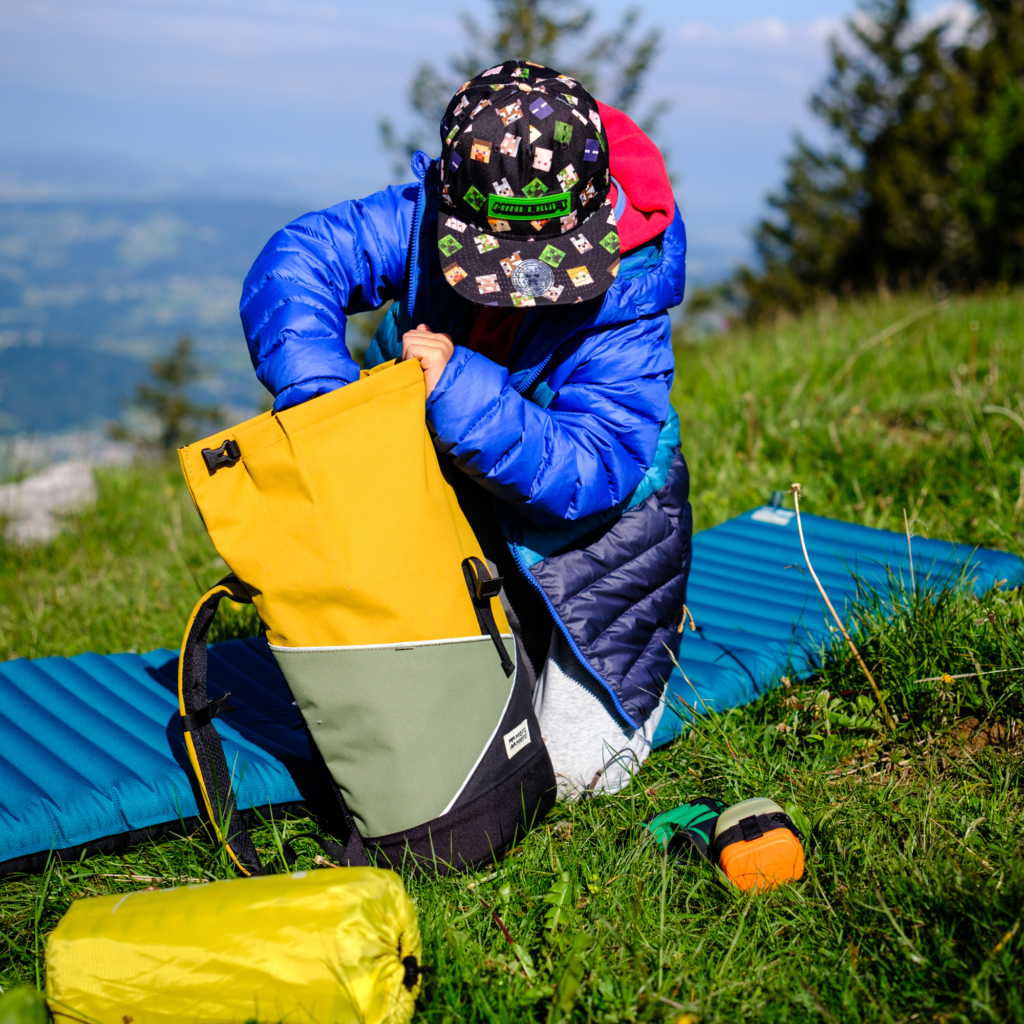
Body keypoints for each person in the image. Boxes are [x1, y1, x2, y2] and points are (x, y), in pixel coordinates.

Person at [240, 59, 692, 799]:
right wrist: (327, 405)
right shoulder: (429, 213)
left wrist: (457, 390)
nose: (518, 287)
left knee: (573, 774)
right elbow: (297, 262)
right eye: (493, 263)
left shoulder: (630, 290)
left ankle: (615, 647)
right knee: (399, 736)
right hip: (453, 500)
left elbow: (597, 467)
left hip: (598, 543)